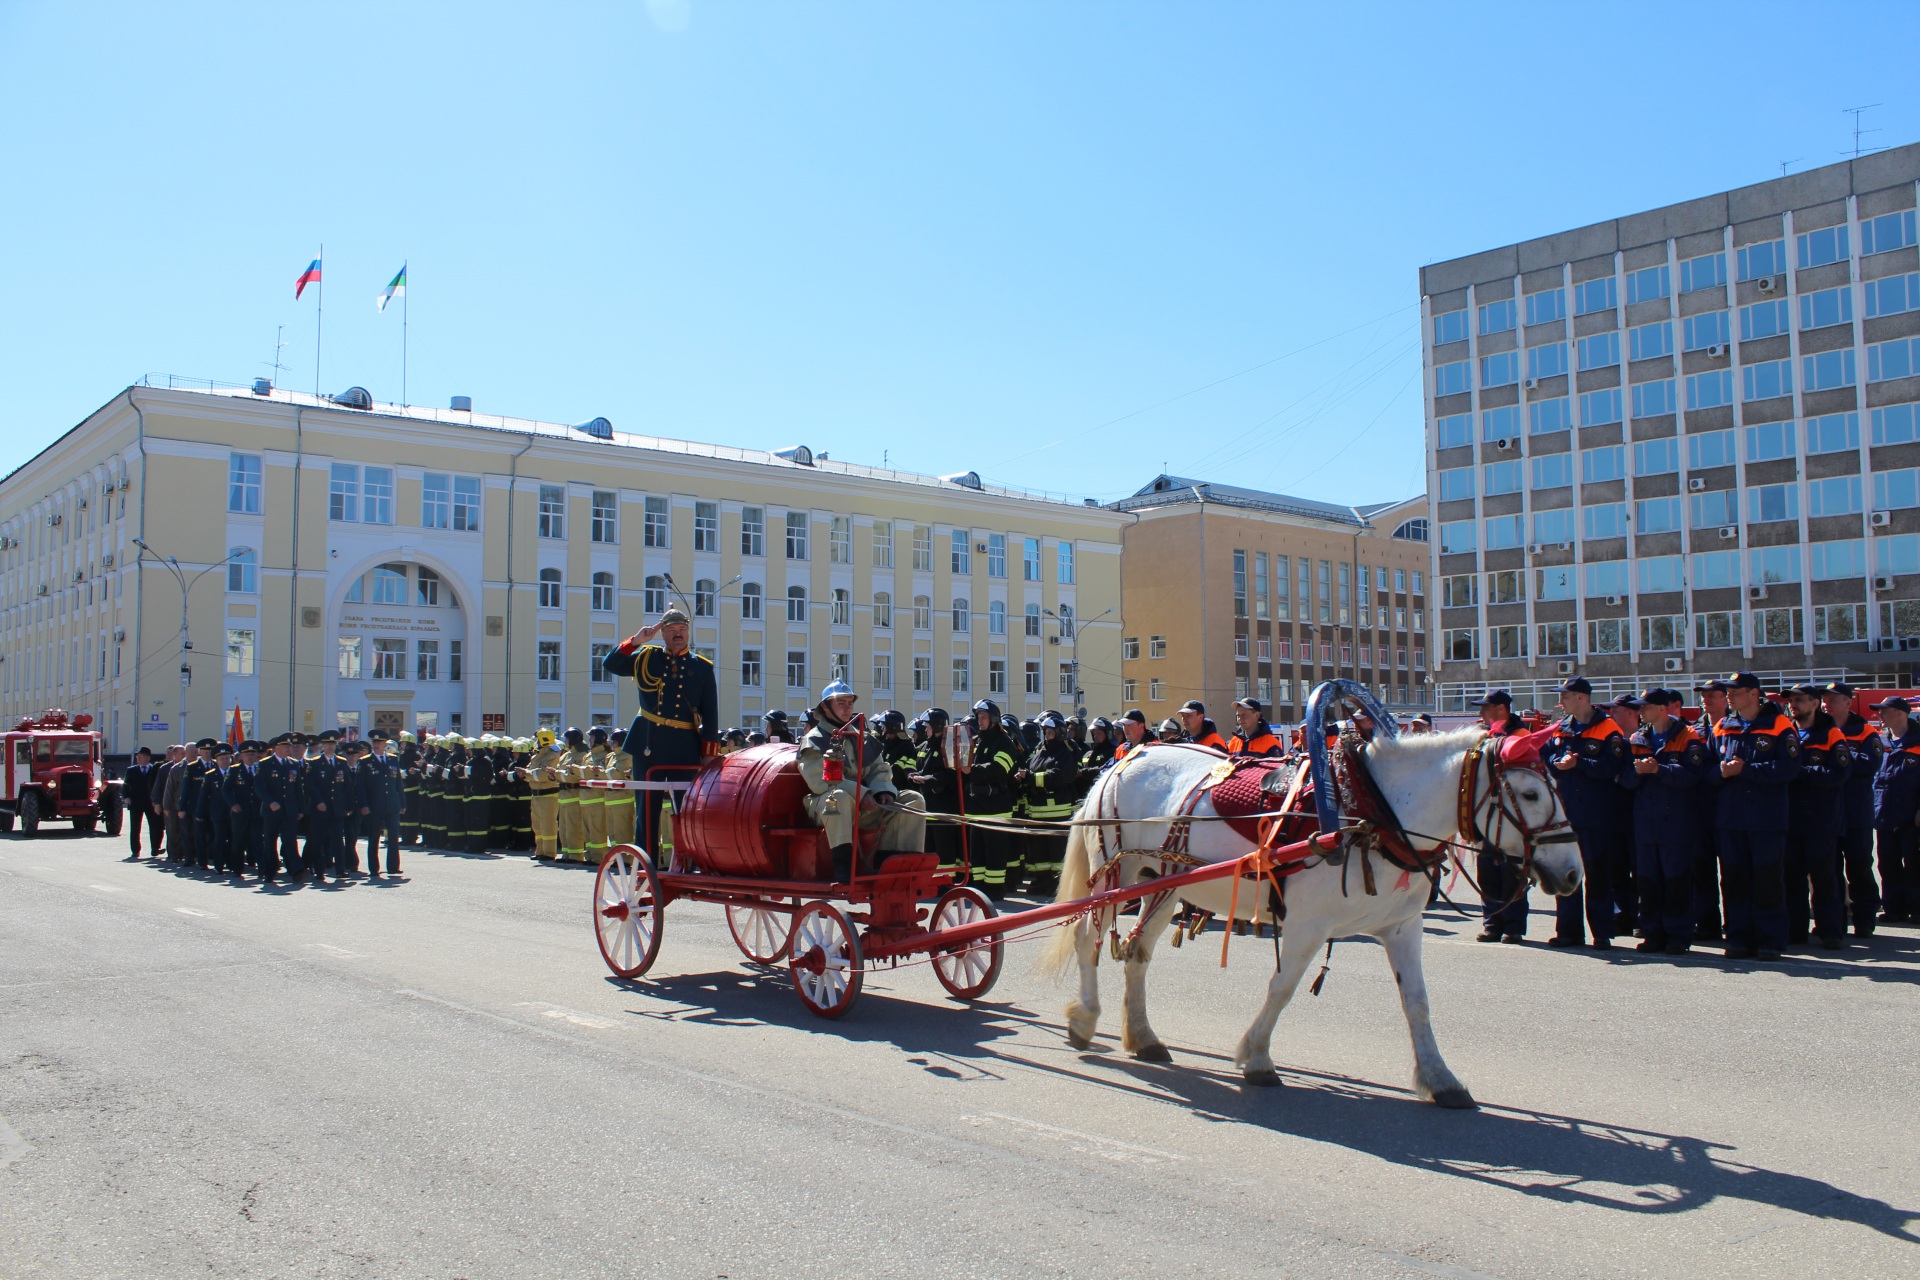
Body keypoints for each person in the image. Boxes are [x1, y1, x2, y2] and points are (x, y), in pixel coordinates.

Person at [603, 607, 722, 857]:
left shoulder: (702, 667)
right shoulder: (647, 657)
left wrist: (709, 753)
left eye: (682, 630)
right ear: (662, 634)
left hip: (684, 746)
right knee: (646, 809)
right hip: (649, 742)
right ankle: (646, 864)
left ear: (688, 632)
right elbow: (610, 663)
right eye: (671, 630)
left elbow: (710, 714)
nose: (677, 634)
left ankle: (688, 862)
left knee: (686, 807)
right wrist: (636, 641)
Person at [796, 680, 926, 882]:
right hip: (826, 807)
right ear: (825, 706)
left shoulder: (861, 738)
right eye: (841, 703)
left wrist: (883, 791)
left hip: (862, 805)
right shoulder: (814, 739)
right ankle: (844, 867)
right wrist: (862, 793)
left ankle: (892, 866)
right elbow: (821, 782)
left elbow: (879, 769)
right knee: (837, 797)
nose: (848, 708)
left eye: (850, 703)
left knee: (912, 800)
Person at [1711, 672, 1802, 960]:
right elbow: (1706, 767)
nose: (1730, 696)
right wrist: (1721, 773)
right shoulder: (1723, 725)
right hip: (1731, 818)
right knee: (1734, 880)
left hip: (1766, 819)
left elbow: (1789, 769)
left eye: (1736, 692)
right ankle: (1739, 938)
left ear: (1754, 694)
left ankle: (1770, 940)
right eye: (1729, 692)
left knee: (1767, 880)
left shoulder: (1779, 725)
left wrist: (1747, 771)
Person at [1619, 689, 1712, 954]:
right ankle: (1653, 933)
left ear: (1662, 709)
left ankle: (1678, 935)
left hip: (1676, 821)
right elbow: (1624, 779)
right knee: (1647, 880)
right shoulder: (1638, 738)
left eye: (1645, 707)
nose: (1641, 712)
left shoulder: (1688, 736)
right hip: (1646, 821)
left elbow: (1694, 775)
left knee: (1676, 879)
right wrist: (1637, 772)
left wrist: (1659, 769)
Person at [1540, 678, 1630, 949]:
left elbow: (1613, 766)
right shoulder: (1560, 728)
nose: (1561, 701)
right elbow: (1545, 759)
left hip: (1597, 814)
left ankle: (1602, 932)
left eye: (1565, 696)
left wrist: (1580, 764)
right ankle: (1568, 931)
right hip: (1565, 814)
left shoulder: (1608, 729)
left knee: (1598, 874)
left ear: (1581, 697)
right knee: (1567, 873)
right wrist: (1559, 763)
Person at [1784, 683, 1851, 950]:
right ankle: (1795, 931)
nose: (1794, 704)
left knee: (1824, 879)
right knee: (1792, 879)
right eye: (1791, 700)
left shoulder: (1831, 734)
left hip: (1821, 820)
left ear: (1814, 703)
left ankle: (1830, 931)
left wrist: (1800, 772)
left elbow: (1839, 775)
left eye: (1800, 700)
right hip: (1790, 819)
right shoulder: (1786, 731)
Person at [1470, 691, 1531, 944]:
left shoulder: (1522, 736)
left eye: (1486, 708)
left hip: (1513, 817)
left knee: (1512, 870)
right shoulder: (1484, 737)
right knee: (1487, 871)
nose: (1481, 713)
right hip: (1488, 815)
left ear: (1502, 710)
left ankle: (1514, 926)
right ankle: (1492, 923)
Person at [1822, 682, 1882, 938]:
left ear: (1848, 702)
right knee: (1829, 869)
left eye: (1833, 700)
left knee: (1859, 866)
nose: (1827, 704)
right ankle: (1834, 921)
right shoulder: (1817, 730)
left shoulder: (1866, 732)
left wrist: (1839, 753)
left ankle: (1865, 918)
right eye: (1825, 700)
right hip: (1826, 813)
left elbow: (1869, 765)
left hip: (1856, 812)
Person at [960, 699, 1021, 898]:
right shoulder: (978, 741)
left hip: (996, 807)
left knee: (995, 852)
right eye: (978, 717)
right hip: (976, 806)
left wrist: (972, 770)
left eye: (984, 717)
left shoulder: (1005, 743)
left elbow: (999, 770)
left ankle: (995, 890)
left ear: (994, 719)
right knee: (976, 852)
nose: (980, 721)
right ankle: (978, 887)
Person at [1016, 712, 1079, 895]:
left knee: (1056, 852)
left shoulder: (1065, 752)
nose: (1047, 736)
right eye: (1045, 732)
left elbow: (1058, 776)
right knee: (1039, 853)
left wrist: (1031, 778)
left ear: (1059, 733)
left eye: (1050, 732)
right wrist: (1023, 776)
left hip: (1056, 811)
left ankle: (1057, 885)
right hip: (1037, 810)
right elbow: (1032, 769)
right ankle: (1041, 882)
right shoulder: (1040, 751)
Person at [1871, 696, 1920, 925]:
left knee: (1915, 863)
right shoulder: (1883, 741)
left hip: (1912, 815)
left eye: (1884, 711)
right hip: (1885, 814)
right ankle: (1893, 908)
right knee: (1887, 863)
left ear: (1900, 713)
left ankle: (1917, 909)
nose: (1879, 715)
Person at [1692, 680, 1732, 942]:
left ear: (1726, 699)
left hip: (1731, 809)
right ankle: (1707, 924)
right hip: (1700, 810)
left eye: (1713, 696)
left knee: (1731, 873)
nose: (1707, 700)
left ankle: (1735, 923)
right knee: (1702, 871)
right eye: (1704, 696)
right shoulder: (1693, 730)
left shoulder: (1736, 727)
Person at [908, 707, 960, 866]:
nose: (925, 729)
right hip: (928, 805)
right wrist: (913, 776)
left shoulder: (949, 746)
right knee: (929, 848)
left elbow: (952, 775)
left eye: (928, 725)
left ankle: (945, 883)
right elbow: (922, 768)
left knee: (944, 850)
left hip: (944, 805)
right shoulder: (927, 746)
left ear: (937, 726)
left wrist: (927, 779)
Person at [258, 734, 306, 882]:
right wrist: (269, 802)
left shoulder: (293, 764)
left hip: (289, 810)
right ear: (276, 748)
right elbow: (259, 787)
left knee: (290, 840)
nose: (288, 749)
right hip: (272, 810)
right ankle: (269, 871)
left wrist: (300, 809)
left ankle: (296, 870)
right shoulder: (265, 764)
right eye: (285, 746)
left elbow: (298, 788)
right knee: (270, 840)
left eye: (289, 746)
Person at [303, 731, 348, 883]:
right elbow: (311, 785)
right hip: (320, 808)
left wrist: (348, 805)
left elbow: (347, 785)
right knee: (318, 840)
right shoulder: (314, 762)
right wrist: (318, 801)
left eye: (333, 744)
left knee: (338, 840)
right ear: (322, 745)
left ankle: (340, 870)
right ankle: (319, 870)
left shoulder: (341, 762)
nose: (330, 747)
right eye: (327, 744)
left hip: (337, 808)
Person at [363, 730, 407, 875]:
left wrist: (402, 802)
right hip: (375, 804)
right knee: (374, 837)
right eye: (374, 742)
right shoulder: (365, 761)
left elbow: (398, 783)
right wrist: (364, 805)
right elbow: (360, 786)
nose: (377, 745)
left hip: (392, 803)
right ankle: (374, 868)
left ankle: (393, 866)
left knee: (393, 837)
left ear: (384, 744)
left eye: (380, 742)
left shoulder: (392, 759)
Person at [222, 740, 265, 880]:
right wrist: (233, 804)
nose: (250, 757)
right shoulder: (234, 770)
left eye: (253, 754)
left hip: (257, 811)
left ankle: (262, 868)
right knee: (239, 840)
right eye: (247, 755)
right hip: (240, 811)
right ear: (241, 756)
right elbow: (226, 789)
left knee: (258, 840)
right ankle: (237, 868)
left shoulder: (261, 768)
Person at [526, 728, 565, 860]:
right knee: (537, 824)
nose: (535, 742)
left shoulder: (553, 755)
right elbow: (531, 773)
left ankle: (549, 852)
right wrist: (527, 774)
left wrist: (527, 774)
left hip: (548, 794)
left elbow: (543, 774)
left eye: (537, 739)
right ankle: (540, 850)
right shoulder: (537, 755)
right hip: (536, 794)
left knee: (548, 824)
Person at [123, 747, 161, 859]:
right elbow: (126, 785)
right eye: (137, 756)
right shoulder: (131, 770)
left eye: (141, 756)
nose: (138, 758)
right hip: (135, 803)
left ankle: (155, 849)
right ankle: (135, 850)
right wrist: (126, 797)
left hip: (151, 803)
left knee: (155, 827)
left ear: (148, 758)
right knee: (135, 828)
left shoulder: (155, 769)